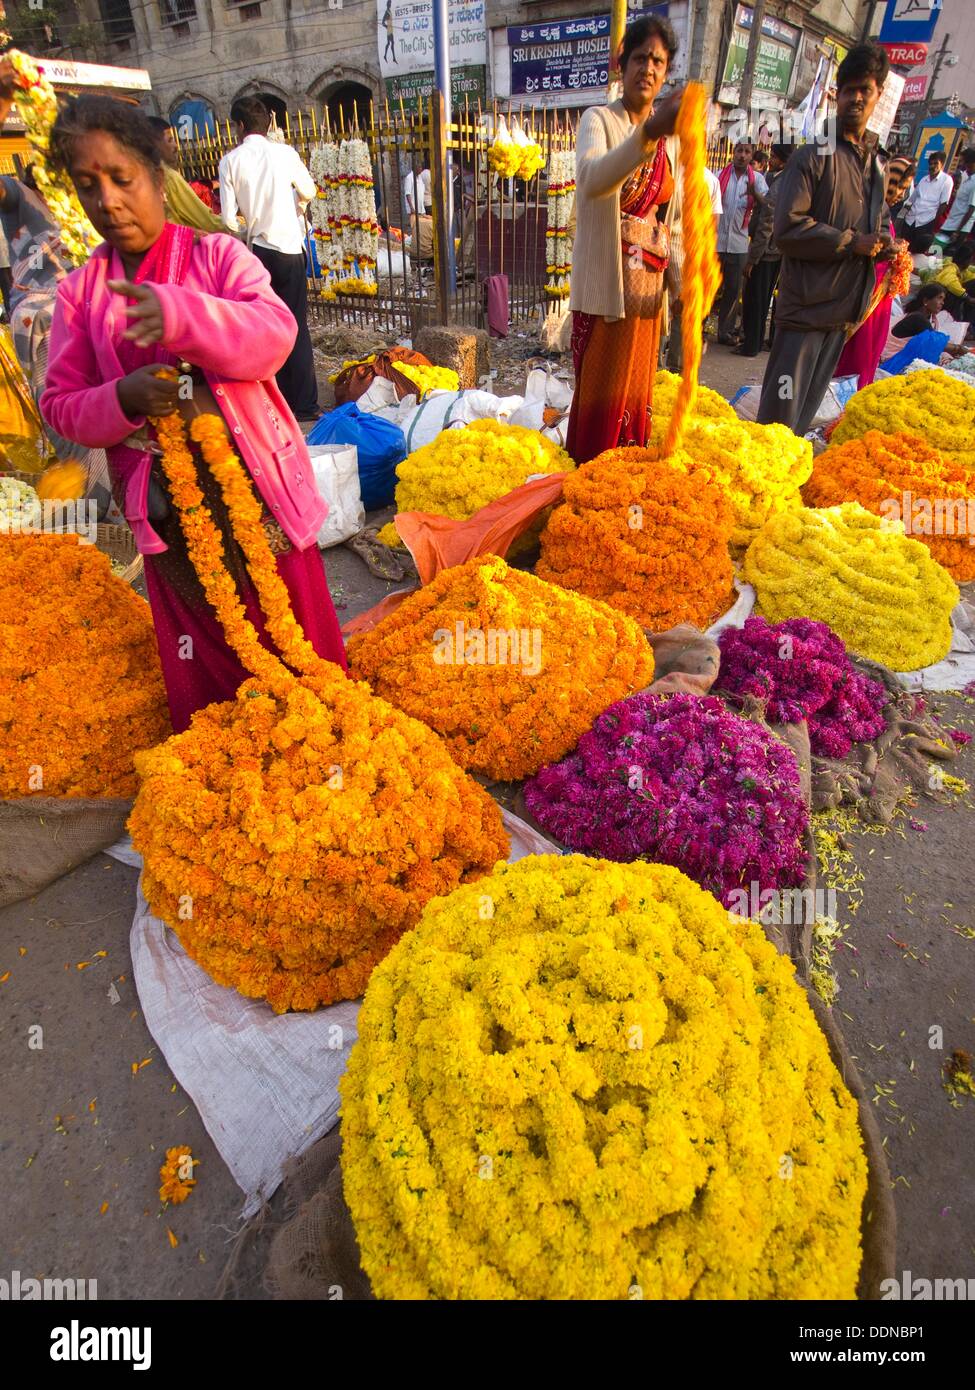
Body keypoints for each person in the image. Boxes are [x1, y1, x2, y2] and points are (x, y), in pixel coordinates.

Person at [39, 97, 347, 733]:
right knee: (206, 654)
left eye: (122, 179)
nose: (109, 202)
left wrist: (182, 316)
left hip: (257, 488)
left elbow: (274, 336)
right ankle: (227, 776)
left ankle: (324, 753)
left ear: (156, 175)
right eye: (87, 186)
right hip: (166, 509)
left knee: (291, 635)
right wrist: (122, 399)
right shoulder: (79, 294)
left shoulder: (217, 258)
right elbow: (61, 406)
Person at [756, 43, 894, 437]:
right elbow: (788, 229)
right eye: (848, 90)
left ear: (878, 95)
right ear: (837, 95)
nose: (855, 98)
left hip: (840, 315)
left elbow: (876, 222)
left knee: (799, 425)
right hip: (805, 313)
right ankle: (762, 495)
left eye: (864, 90)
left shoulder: (873, 165)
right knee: (777, 427)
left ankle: (782, 495)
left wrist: (884, 243)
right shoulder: (812, 155)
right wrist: (851, 241)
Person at [566, 14, 683, 463]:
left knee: (635, 397)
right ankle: (589, 489)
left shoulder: (671, 145)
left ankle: (623, 490)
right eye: (639, 58)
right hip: (608, 294)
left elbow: (671, 226)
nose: (648, 69)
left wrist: (682, 291)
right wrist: (648, 134)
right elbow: (593, 179)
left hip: (647, 299)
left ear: (666, 72)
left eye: (658, 61)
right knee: (602, 400)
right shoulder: (599, 120)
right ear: (621, 65)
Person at [218, 96, 319, 420]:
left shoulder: (230, 161)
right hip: (290, 249)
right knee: (296, 325)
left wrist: (247, 228)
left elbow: (229, 220)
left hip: (258, 252)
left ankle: (272, 404)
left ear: (240, 126)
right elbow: (309, 190)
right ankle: (304, 405)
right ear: (267, 126)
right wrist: (295, 205)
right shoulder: (284, 153)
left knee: (264, 326)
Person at [737, 143, 792, 357]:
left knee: (755, 301)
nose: (771, 161)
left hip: (767, 252)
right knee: (761, 299)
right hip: (775, 250)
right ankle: (755, 343)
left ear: (782, 160)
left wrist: (753, 259)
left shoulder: (780, 182)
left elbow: (767, 221)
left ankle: (751, 345)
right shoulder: (782, 180)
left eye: (774, 157)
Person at [666, 165, 721, 372]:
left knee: (684, 308)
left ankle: (676, 369)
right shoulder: (670, 172)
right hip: (663, 245)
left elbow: (713, 222)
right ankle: (658, 368)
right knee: (661, 309)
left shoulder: (709, 180)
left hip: (691, 253)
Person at [714, 141, 768, 345]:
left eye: (746, 152)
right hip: (716, 241)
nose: (742, 155)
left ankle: (725, 332)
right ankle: (698, 328)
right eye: (739, 151)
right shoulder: (719, 177)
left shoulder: (758, 181)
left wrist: (756, 195)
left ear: (752, 156)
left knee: (733, 289)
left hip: (739, 244)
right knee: (709, 287)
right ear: (733, 153)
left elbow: (769, 208)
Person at [146, 115, 227, 236]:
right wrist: (236, 227)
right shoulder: (168, 176)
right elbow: (204, 219)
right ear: (155, 145)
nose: (176, 145)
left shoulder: (143, 173)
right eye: (170, 140)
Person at [902, 149, 952, 251]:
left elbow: (943, 204)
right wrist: (902, 216)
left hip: (926, 222)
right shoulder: (923, 180)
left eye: (935, 163)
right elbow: (911, 201)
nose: (932, 166)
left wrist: (933, 225)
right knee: (903, 248)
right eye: (930, 163)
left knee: (916, 251)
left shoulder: (946, 180)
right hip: (910, 220)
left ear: (942, 164)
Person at [941, 147, 975, 245]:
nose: (963, 164)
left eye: (965, 162)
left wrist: (957, 232)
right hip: (949, 223)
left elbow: (971, 209)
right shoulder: (965, 177)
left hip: (959, 228)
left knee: (945, 256)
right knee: (935, 252)